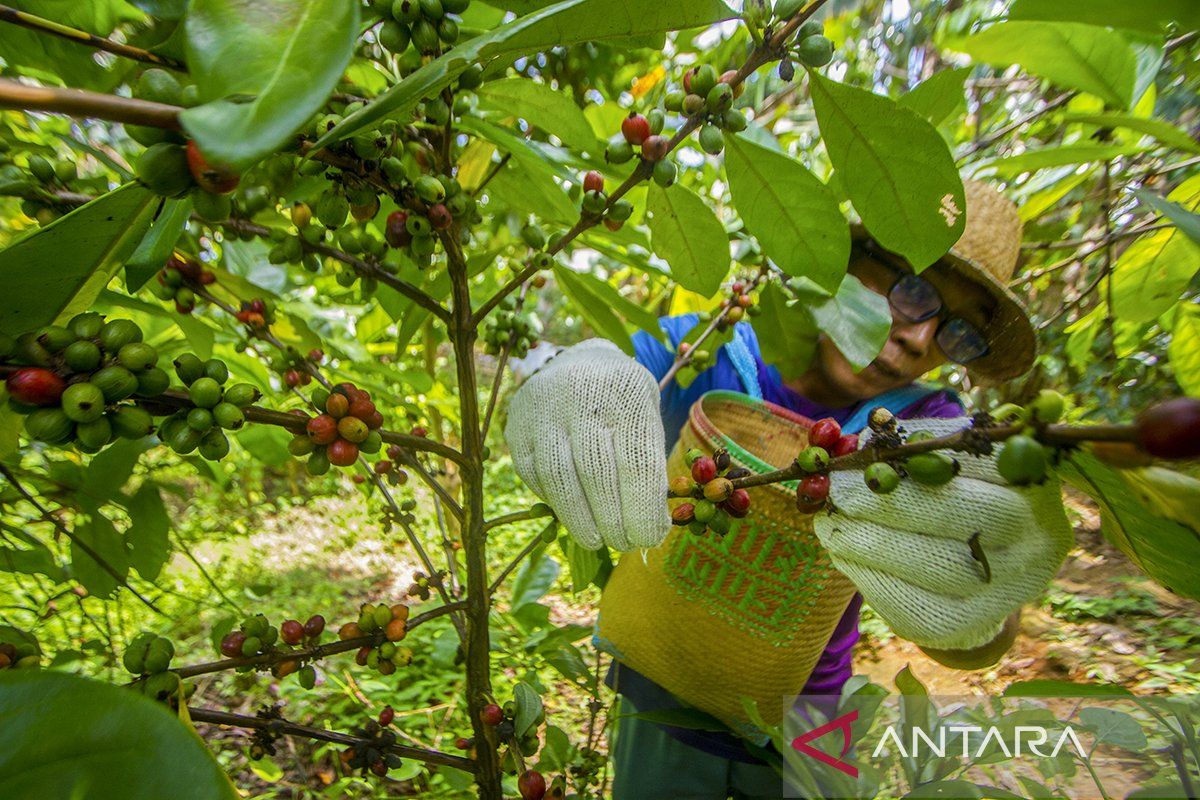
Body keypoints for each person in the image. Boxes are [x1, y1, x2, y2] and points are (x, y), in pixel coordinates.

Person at [504, 182, 1073, 798]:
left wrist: (981, 600)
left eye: (958, 334)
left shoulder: (928, 428)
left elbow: (986, 631)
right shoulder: (711, 348)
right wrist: (568, 371)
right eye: (913, 292)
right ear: (846, 264)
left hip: (810, 712)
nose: (919, 339)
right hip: (661, 686)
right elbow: (617, 366)